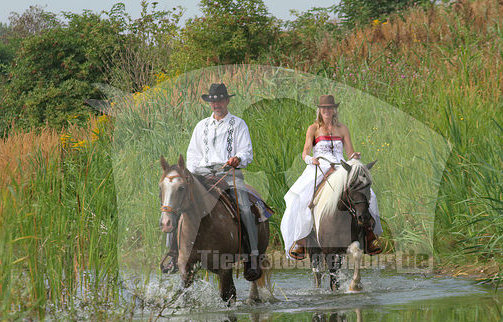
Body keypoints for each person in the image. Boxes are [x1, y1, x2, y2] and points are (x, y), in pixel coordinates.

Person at [163, 83, 261, 279]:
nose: (216, 104)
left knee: (245, 207)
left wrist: (238, 159)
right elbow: (192, 155)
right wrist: (194, 172)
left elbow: (246, 151)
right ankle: (173, 254)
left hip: (230, 174)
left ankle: (253, 257)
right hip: (202, 176)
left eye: (220, 100)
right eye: (213, 101)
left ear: (227, 101)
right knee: (176, 203)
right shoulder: (201, 126)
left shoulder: (239, 124)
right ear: (210, 103)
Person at [280, 94, 382, 260]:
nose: (327, 110)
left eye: (330, 108)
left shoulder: (343, 129)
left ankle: (370, 236)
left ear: (334, 110)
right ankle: (301, 239)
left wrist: (354, 156)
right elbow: (305, 151)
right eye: (324, 108)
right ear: (319, 110)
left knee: (369, 195)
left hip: (341, 167)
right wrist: (309, 159)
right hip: (320, 166)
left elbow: (349, 152)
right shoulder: (313, 128)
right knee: (298, 197)